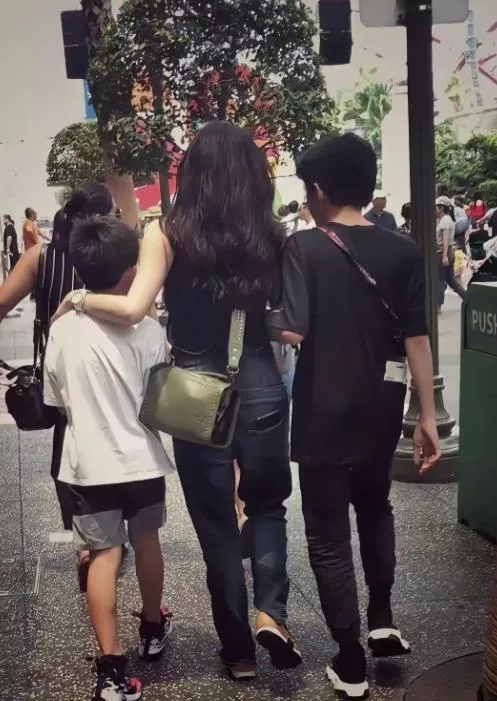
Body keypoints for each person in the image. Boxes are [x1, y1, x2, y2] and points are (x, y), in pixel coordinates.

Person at [53, 122, 301, 681]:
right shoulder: (274, 234)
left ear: (192, 173)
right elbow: (286, 322)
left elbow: (133, 308)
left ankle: (238, 652)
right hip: (262, 385)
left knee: (216, 523)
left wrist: (80, 299)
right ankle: (272, 612)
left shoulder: (166, 231)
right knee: (267, 506)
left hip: (195, 395)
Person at [268, 133, 441, 700]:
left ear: (318, 190)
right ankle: (382, 619)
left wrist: (254, 312)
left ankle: (349, 660)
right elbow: (417, 337)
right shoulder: (402, 249)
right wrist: (426, 416)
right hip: (383, 404)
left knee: (326, 535)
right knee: (375, 506)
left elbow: (292, 330)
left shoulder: (304, 247)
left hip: (324, 405)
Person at [45, 215, 173, 701]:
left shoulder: (62, 329)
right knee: (147, 540)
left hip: (88, 465)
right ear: (130, 272)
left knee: (104, 554)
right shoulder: (148, 331)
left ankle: (112, 671)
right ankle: (153, 627)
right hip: (142, 459)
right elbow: (159, 392)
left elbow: (58, 401)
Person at [0, 184, 117, 591]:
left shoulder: (42, 257)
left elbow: (1, 303)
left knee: (68, 455)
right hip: (113, 372)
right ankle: (112, 537)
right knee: (116, 449)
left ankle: (86, 543)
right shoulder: (117, 254)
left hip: (63, 376)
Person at [436, 195, 467, 311]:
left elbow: (445, 240)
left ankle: (437, 305)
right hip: (448, 252)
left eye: (436, 207)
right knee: (450, 280)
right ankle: (467, 298)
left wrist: (444, 256)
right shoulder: (446, 219)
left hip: (443, 252)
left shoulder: (445, 221)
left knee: (439, 279)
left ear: (442, 208)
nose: (434, 209)